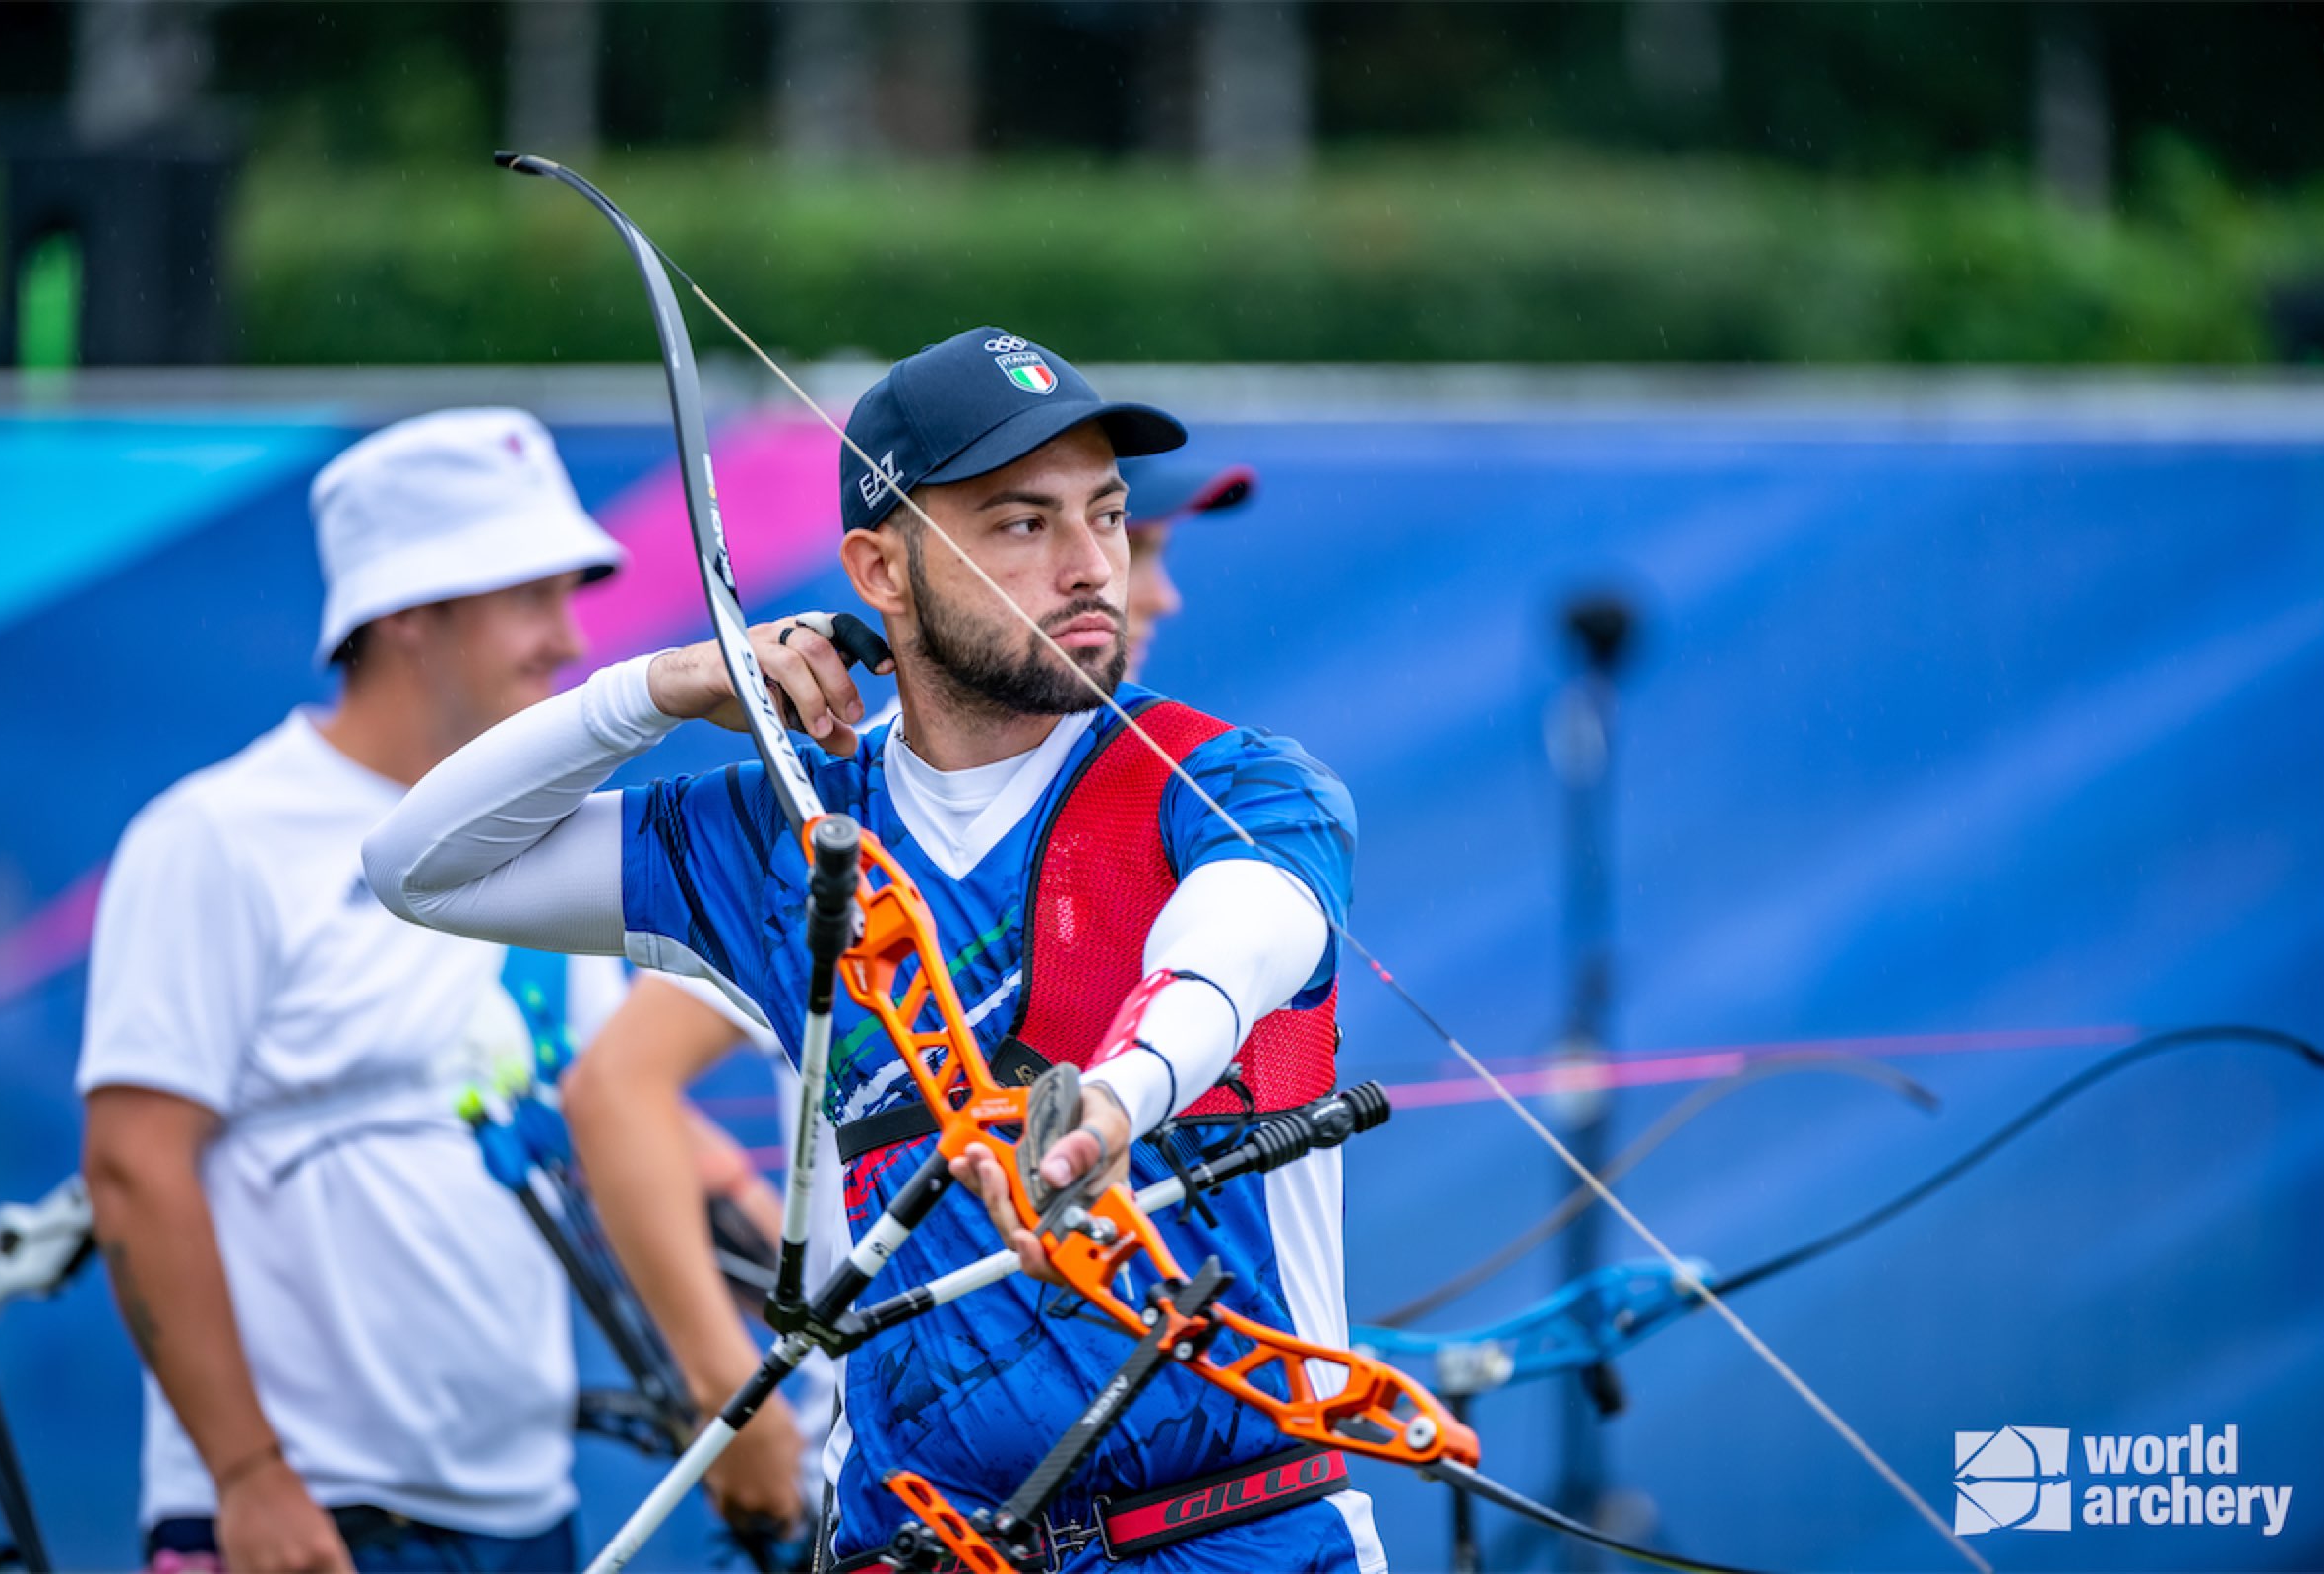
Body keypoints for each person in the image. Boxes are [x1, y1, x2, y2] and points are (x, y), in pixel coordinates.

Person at [365, 330, 1384, 1572]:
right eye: (1021, 524)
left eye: (1107, 517)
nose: (1090, 568)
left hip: (1243, 1537)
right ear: (879, 571)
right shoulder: (793, 829)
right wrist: (669, 686)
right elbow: (419, 865)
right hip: (917, 1545)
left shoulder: (1229, 783)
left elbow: (1243, 935)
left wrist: (1114, 1100)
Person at [557, 452, 1260, 1530]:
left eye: (1123, 530)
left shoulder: (1189, 793)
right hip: (938, 1471)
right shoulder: (865, 835)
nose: (1137, 586)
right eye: (1143, 546)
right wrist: (727, 1391)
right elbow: (617, 1084)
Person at [78, 409, 630, 1574]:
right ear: (410, 610)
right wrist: (247, 1475)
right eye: (530, 597)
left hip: (525, 1513)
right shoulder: (213, 837)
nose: (569, 639)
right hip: (299, 1523)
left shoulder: (551, 847)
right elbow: (134, 1164)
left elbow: (607, 1119)